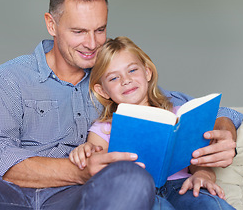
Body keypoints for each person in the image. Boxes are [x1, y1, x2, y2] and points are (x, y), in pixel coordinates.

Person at [0, 0, 243, 210]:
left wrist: (225, 128)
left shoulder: (111, 76)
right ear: (51, 24)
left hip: (81, 201)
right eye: (78, 31)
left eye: (100, 29)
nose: (92, 44)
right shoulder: (9, 78)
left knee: (130, 177)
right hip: (10, 199)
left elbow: (177, 106)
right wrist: (78, 170)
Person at [69, 36, 233, 209]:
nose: (126, 80)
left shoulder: (177, 117)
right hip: (138, 192)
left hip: (183, 185)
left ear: (147, 72)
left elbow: (198, 160)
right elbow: (96, 165)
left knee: (212, 205)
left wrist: (202, 176)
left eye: (132, 70)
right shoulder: (104, 128)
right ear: (102, 90)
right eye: (113, 78)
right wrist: (85, 151)